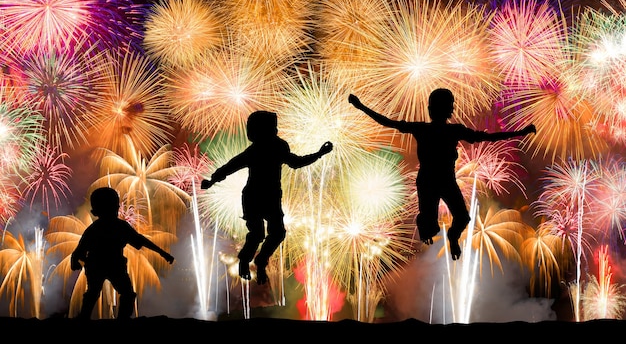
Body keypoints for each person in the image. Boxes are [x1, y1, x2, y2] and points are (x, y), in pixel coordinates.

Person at [348, 89, 536, 260]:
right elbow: (487, 138)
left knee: (462, 218)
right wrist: (520, 132)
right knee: (435, 223)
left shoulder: (439, 130)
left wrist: (361, 106)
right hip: (431, 181)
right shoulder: (440, 130)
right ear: (447, 109)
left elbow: (388, 122)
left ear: (431, 109)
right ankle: (427, 225)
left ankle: (449, 236)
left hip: (443, 181)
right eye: (450, 105)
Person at [201, 110, 333, 284]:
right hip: (260, 196)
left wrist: (212, 180)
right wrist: (319, 154)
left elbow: (231, 165)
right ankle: (249, 261)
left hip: (263, 197)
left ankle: (257, 260)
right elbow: (296, 162)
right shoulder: (272, 148)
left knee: (271, 233)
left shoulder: (267, 148)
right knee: (262, 234)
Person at [70, 186, 175, 319]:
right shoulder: (118, 227)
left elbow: (78, 251)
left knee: (95, 293)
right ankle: (120, 319)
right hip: (111, 265)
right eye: (114, 205)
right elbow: (140, 240)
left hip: (101, 265)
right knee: (121, 294)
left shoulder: (95, 228)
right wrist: (162, 253)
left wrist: (76, 261)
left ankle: (85, 317)